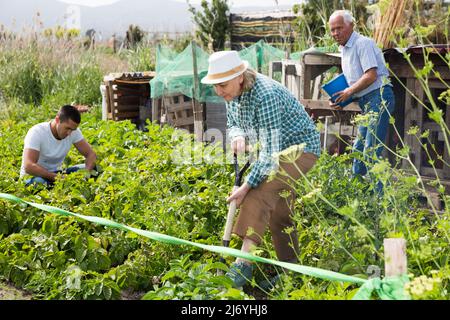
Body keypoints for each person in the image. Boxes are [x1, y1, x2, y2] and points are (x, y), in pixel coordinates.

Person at [201, 51, 321, 288]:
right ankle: (292, 271)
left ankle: (242, 265)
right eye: (215, 86)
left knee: (259, 192)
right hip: (275, 151)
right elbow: (233, 123)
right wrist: (236, 136)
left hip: (300, 149)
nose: (219, 91)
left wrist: (246, 186)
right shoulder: (232, 95)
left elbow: (269, 153)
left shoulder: (264, 94)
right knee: (279, 210)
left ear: (240, 77)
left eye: (223, 85)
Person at [328, 10, 395, 192]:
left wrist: (348, 91)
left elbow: (371, 75)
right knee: (358, 150)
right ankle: (358, 196)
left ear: (351, 25)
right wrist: (339, 98)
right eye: (332, 30)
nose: (335, 33)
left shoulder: (362, 43)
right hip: (366, 102)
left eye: (339, 28)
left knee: (371, 152)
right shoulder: (344, 50)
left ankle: (382, 203)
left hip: (379, 97)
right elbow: (353, 80)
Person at [20, 104, 97, 187]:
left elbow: (91, 154)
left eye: (73, 129)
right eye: (67, 128)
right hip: (36, 176)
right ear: (57, 120)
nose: (69, 133)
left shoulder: (73, 131)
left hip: (57, 174)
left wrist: (86, 174)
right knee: (39, 183)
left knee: (93, 169)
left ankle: (61, 188)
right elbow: (28, 166)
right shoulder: (37, 132)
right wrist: (55, 177)